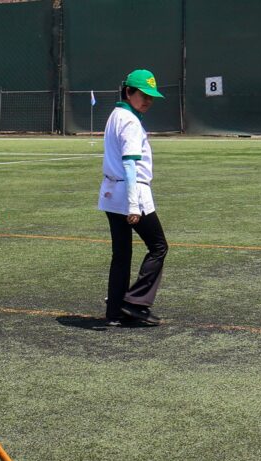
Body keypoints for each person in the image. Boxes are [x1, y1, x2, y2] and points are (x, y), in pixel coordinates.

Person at [97, 69, 168, 327]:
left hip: (111, 193)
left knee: (122, 254)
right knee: (158, 246)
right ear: (128, 92)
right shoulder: (130, 121)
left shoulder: (116, 115)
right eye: (143, 95)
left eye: (151, 97)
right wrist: (134, 205)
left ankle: (115, 312)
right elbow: (129, 165)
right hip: (131, 192)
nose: (148, 101)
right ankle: (135, 302)